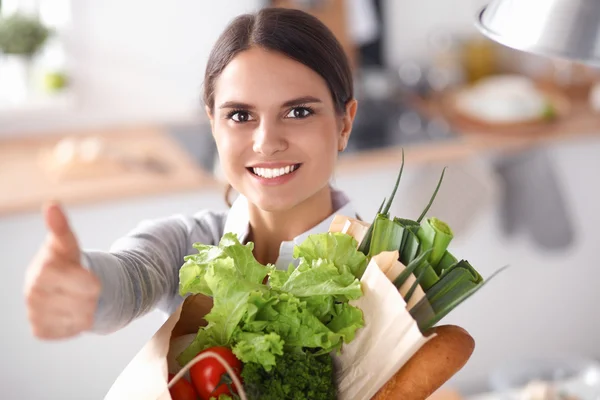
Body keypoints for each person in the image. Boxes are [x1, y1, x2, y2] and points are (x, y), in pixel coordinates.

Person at [23, 7, 474, 398]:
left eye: (299, 111)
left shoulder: (387, 282)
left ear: (344, 123)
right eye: (240, 115)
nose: (267, 142)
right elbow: (134, 274)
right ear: (214, 126)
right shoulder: (193, 244)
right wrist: (87, 287)